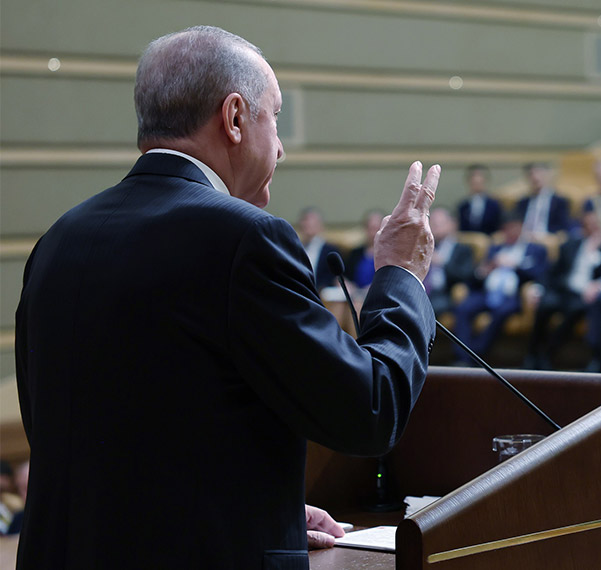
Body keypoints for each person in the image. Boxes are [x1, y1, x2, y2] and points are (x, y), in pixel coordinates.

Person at [14, 26, 438, 566]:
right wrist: (401, 275)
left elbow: (96, 436)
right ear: (234, 118)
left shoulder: (59, 239)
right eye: (275, 117)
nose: (280, 147)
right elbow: (370, 411)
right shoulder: (245, 239)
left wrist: (259, 509)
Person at [451, 215, 547, 363]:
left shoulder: (535, 249)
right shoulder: (495, 249)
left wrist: (515, 266)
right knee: (463, 308)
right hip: (487, 293)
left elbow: (539, 274)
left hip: (513, 295)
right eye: (507, 229)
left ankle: (477, 352)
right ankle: (462, 357)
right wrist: (486, 269)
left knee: (502, 312)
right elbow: (475, 277)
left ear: (521, 228)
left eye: (514, 228)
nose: (510, 232)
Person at [524, 210, 601, 370]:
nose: (592, 228)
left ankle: (547, 354)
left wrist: (594, 254)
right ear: (583, 227)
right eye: (589, 225)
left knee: (576, 310)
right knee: (545, 305)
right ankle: (532, 353)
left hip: (584, 295)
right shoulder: (570, 244)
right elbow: (552, 271)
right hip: (563, 290)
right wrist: (537, 287)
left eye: (596, 225)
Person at [425, 209, 475, 317]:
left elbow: (465, 275)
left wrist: (442, 263)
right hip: (424, 291)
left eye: (440, 224)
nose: (435, 227)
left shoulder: (462, 249)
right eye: (433, 224)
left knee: (424, 308)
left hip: (445, 293)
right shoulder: (425, 246)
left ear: (452, 224)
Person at [515, 162, 572, 238]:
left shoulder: (559, 201)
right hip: (523, 237)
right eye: (531, 174)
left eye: (539, 173)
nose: (535, 177)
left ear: (547, 176)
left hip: (547, 238)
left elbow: (564, 228)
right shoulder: (522, 202)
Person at [295, 206, 341, 290]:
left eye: (312, 222)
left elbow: (333, 277)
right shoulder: (295, 248)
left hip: (321, 292)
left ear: (320, 225)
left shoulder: (330, 250)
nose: (307, 224)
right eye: (305, 220)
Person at [456, 163, 502, 235]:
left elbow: (499, 228)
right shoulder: (463, 206)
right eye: (474, 181)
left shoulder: (495, 204)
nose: (477, 182)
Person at [345, 209, 386, 289]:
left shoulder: (389, 255)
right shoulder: (355, 253)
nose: (373, 233)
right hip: (355, 293)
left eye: (377, 228)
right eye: (370, 228)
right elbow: (344, 276)